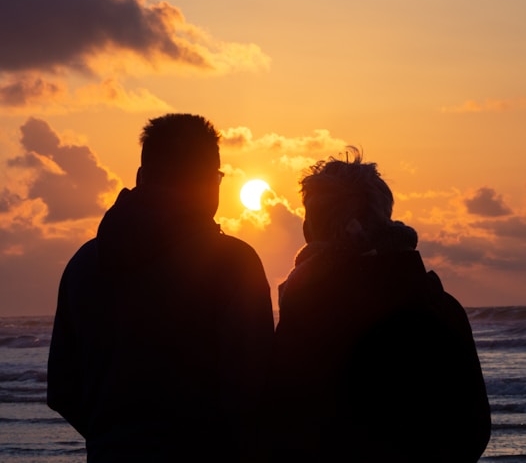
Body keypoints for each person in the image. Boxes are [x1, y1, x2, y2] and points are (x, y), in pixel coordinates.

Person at [47, 113, 275, 462]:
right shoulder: (233, 264)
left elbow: (62, 390)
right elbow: (254, 390)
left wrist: (115, 438)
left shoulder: (82, 265)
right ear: (210, 183)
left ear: (141, 177)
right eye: (217, 177)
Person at [266, 148, 491, 462]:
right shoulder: (439, 305)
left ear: (314, 231)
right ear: (385, 217)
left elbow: (285, 426)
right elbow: (474, 430)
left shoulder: (309, 314)